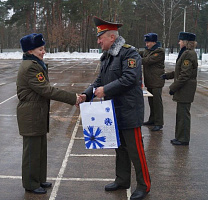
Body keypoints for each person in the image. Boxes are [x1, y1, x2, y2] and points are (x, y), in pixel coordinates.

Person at [80, 16, 151, 200]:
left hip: (129, 110)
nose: (98, 41)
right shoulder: (107, 56)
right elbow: (99, 80)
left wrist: (105, 90)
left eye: (100, 37)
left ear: (112, 37)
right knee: (119, 148)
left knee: (136, 150)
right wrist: (87, 94)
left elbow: (130, 79)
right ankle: (122, 180)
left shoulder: (129, 53)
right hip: (113, 112)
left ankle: (144, 185)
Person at [17, 33, 81, 194]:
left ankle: (39, 179)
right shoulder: (31, 66)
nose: (43, 52)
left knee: (39, 149)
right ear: (30, 51)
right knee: (32, 151)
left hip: (36, 112)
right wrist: (73, 98)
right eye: (40, 49)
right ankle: (31, 184)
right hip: (31, 114)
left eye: (43, 48)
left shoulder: (36, 63)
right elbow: (45, 89)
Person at [161, 32, 198, 145]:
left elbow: (185, 75)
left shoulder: (188, 54)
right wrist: (167, 75)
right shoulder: (185, 53)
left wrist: (173, 88)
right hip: (184, 88)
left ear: (186, 42)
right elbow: (180, 71)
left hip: (185, 89)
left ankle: (183, 139)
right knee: (181, 114)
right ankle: (180, 137)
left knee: (183, 115)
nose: (179, 42)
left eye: (180, 40)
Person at [139, 33, 165, 131]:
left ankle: (159, 122)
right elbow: (139, 53)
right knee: (151, 102)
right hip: (150, 81)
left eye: (148, 42)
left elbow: (146, 60)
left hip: (157, 81)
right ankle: (152, 119)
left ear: (154, 42)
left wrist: (134, 60)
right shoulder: (148, 50)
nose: (146, 44)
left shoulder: (159, 51)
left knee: (157, 102)